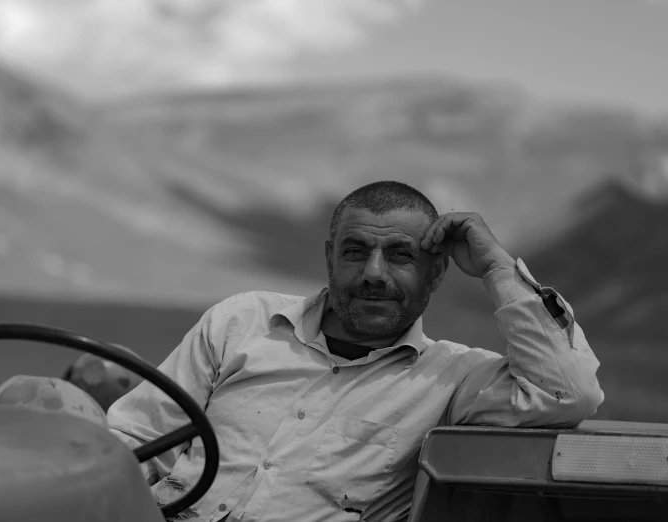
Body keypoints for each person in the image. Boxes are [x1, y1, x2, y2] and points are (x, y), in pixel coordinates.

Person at [105, 180, 603, 522]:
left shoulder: (453, 378)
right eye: (355, 251)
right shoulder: (242, 321)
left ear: (437, 272)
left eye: (401, 255)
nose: (373, 273)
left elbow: (568, 393)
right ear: (329, 257)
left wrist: (497, 266)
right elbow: (138, 438)